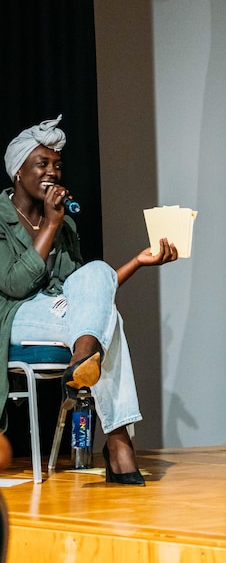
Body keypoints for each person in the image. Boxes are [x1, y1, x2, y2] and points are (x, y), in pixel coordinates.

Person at [1, 115, 179, 485]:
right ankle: (117, 442)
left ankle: (84, 356)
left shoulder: (67, 224)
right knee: (109, 323)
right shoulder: (6, 219)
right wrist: (50, 224)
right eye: (42, 164)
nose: (53, 172)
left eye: (57, 165)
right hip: (13, 319)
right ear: (19, 171)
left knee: (95, 274)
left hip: (62, 315)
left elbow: (86, 291)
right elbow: (15, 285)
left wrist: (138, 262)